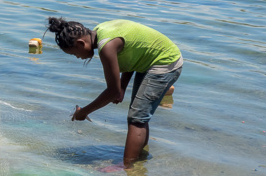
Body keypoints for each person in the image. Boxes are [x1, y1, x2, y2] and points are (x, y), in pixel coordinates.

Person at [45, 17, 182, 167]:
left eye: (74, 54)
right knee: (138, 116)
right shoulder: (100, 31)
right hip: (151, 60)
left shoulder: (106, 47)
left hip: (165, 62)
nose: (78, 57)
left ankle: (126, 166)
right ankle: (139, 158)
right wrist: (122, 87)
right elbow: (132, 55)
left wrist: (84, 112)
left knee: (137, 119)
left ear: (81, 43)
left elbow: (112, 92)